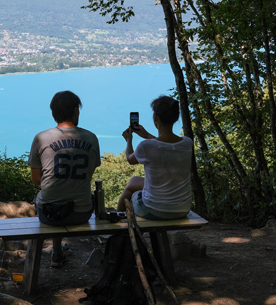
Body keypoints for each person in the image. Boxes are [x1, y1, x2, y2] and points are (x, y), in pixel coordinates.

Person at [28, 90, 101, 267]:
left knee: (50, 197)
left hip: (49, 215)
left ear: (53, 113)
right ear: (76, 110)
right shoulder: (91, 138)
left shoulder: (41, 138)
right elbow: (89, 172)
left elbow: (36, 180)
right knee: (68, 192)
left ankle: (56, 251)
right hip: (82, 213)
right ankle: (57, 251)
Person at [117, 95, 192, 219]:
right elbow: (164, 146)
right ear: (176, 117)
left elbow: (130, 159)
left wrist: (129, 140)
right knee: (135, 180)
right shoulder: (187, 143)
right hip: (183, 208)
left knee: (131, 190)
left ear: (155, 117)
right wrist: (146, 135)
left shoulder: (146, 146)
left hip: (153, 209)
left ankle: (119, 226)